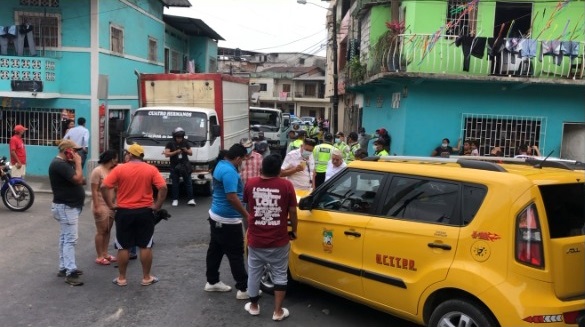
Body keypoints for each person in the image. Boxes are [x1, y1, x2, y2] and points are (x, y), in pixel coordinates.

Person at [101, 143, 168, 287]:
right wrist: (157, 205)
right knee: (145, 245)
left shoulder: (120, 169)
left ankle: (122, 278)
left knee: (123, 246)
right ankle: (146, 277)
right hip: (145, 211)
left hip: (124, 212)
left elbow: (104, 186)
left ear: (130, 155)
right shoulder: (151, 169)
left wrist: (110, 205)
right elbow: (162, 187)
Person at [243, 154, 298, 321]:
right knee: (280, 273)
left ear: (262, 168)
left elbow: (248, 208)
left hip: (256, 238)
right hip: (279, 239)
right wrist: (294, 229)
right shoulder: (287, 185)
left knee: (254, 272)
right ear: (279, 171)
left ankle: (253, 306)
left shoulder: (250, 184)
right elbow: (293, 212)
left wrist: (249, 229)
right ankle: (278, 311)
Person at [204, 143, 252, 299]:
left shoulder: (221, 164)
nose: (242, 163)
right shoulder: (229, 171)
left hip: (216, 215)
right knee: (236, 254)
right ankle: (244, 289)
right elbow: (231, 197)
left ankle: (212, 282)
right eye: (242, 159)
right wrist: (246, 214)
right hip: (227, 219)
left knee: (216, 250)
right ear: (237, 158)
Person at [49, 139, 86, 286]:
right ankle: (71, 272)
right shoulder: (59, 165)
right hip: (66, 207)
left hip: (67, 206)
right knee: (70, 239)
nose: (77, 154)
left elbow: (81, 179)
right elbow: (78, 179)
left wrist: (75, 164)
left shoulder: (64, 164)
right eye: (74, 151)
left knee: (65, 237)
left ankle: (64, 267)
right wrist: (77, 163)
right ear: (67, 151)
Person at [90, 149, 119, 266]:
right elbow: (94, 190)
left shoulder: (113, 170)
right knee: (101, 231)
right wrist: (97, 207)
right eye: (116, 158)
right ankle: (99, 256)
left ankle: (105, 253)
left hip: (111, 204)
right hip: (101, 204)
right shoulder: (98, 171)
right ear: (112, 159)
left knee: (107, 230)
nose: (117, 160)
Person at [164, 127, 196, 207]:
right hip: (174, 166)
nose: (179, 139)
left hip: (185, 165)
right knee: (175, 183)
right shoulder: (170, 143)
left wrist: (186, 150)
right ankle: (175, 199)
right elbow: (166, 154)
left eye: (181, 138)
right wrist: (176, 152)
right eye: (178, 138)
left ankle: (191, 199)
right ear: (175, 137)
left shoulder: (185, 142)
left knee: (188, 183)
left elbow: (191, 153)